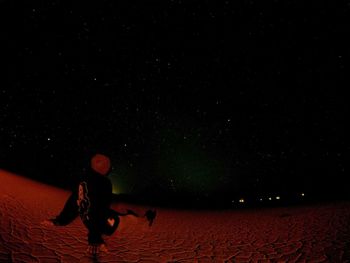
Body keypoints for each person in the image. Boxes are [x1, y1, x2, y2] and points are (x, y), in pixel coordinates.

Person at [42, 153, 140, 255]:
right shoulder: (105, 182)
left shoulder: (83, 179)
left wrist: (60, 220)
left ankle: (130, 215)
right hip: (103, 223)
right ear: (105, 167)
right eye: (109, 165)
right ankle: (132, 217)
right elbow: (100, 209)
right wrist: (95, 238)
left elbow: (74, 201)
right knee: (124, 222)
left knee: (123, 217)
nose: (110, 168)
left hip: (91, 220)